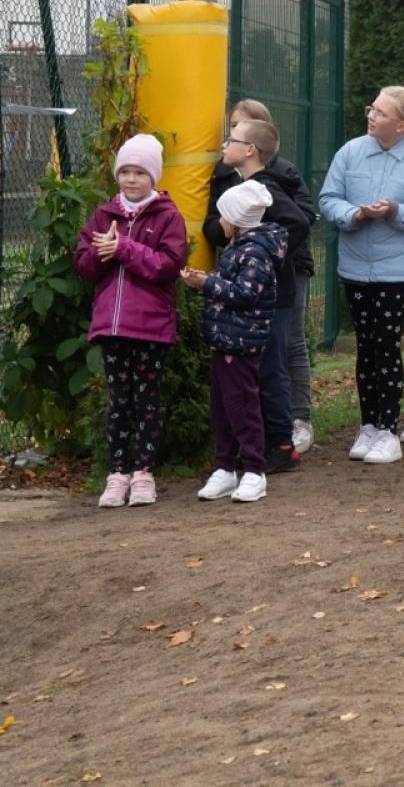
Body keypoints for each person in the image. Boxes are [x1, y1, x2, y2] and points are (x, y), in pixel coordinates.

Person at [319, 86, 404, 465]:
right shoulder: (351, 152)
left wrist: (393, 211)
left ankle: (389, 430)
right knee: (365, 346)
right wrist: (354, 215)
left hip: (396, 271)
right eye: (372, 109)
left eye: (381, 113)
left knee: (386, 344)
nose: (371, 116)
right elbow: (328, 199)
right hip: (354, 267)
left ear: (403, 126)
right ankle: (368, 424)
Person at [74, 134, 186, 508]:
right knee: (118, 402)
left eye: (140, 172)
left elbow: (168, 267)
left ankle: (143, 473)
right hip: (111, 326)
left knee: (146, 400)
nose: (131, 179)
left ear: (153, 176)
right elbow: (84, 267)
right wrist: (101, 252)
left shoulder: (168, 216)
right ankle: (117, 473)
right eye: (125, 171)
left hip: (150, 328)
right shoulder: (103, 215)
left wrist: (123, 248)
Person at [213, 99, 319, 454]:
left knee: (272, 369)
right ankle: (261, 442)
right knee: (259, 369)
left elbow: (299, 222)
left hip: (275, 294)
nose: (225, 144)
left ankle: (280, 444)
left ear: (250, 150)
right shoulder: (240, 183)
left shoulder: (264, 188)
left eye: (232, 138)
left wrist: (265, 252)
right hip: (259, 292)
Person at [182, 180, 287, 505]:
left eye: (223, 216)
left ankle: (254, 470)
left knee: (242, 406)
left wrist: (206, 283)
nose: (219, 221)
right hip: (226, 340)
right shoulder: (239, 248)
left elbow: (244, 294)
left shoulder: (255, 252)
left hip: (241, 342)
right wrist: (207, 280)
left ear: (237, 220)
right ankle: (225, 468)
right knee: (222, 407)